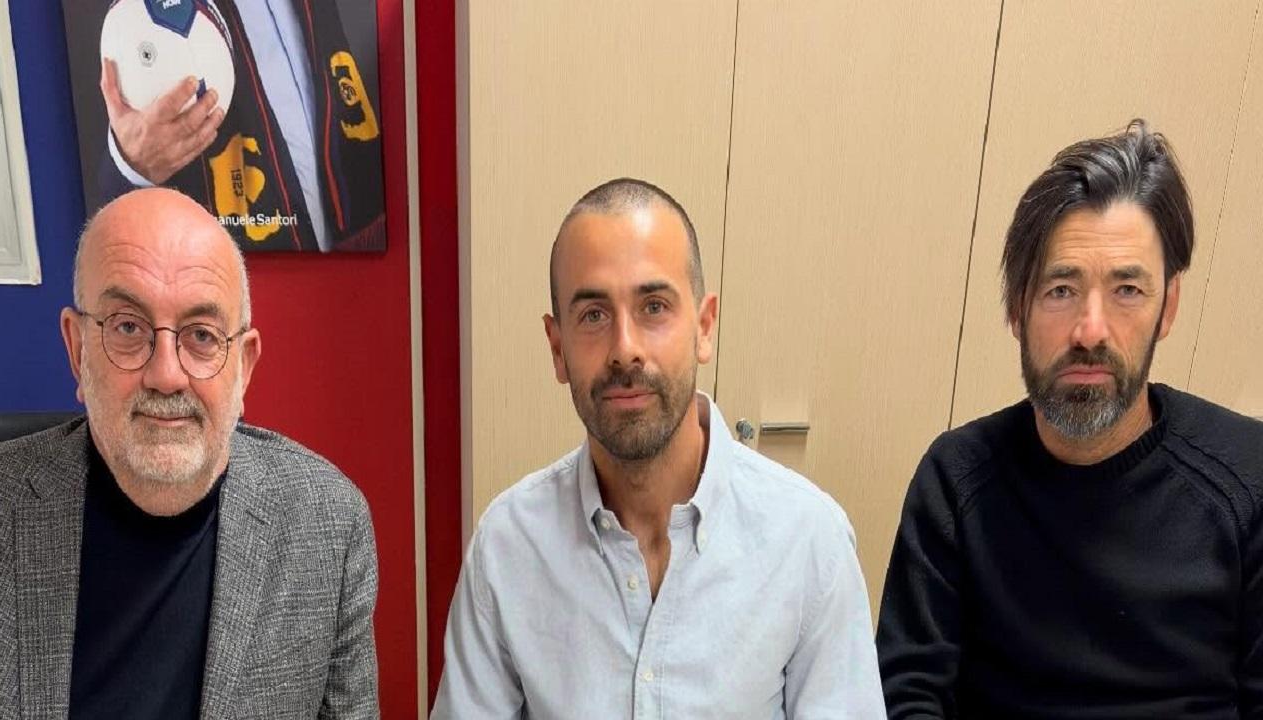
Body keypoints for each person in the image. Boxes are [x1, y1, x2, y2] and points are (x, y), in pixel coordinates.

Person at [432, 178, 886, 719]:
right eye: (594, 315)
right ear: (557, 348)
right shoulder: (507, 547)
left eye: (653, 306)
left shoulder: (809, 541)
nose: (625, 349)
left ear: (704, 327)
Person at [877, 120, 1263, 719]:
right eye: (1061, 289)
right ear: (1017, 308)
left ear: (1168, 306)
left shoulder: (1249, 479)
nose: (1090, 331)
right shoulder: (956, 480)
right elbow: (908, 696)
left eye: (1127, 289)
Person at [0, 188, 379, 718]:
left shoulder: (328, 525)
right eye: (128, 327)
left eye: (202, 336)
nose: (166, 374)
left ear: (244, 367)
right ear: (78, 351)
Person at [96, 0, 385, 252]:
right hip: (232, 280)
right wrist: (134, 165)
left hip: (354, 261)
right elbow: (108, 233)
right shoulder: (135, 15)